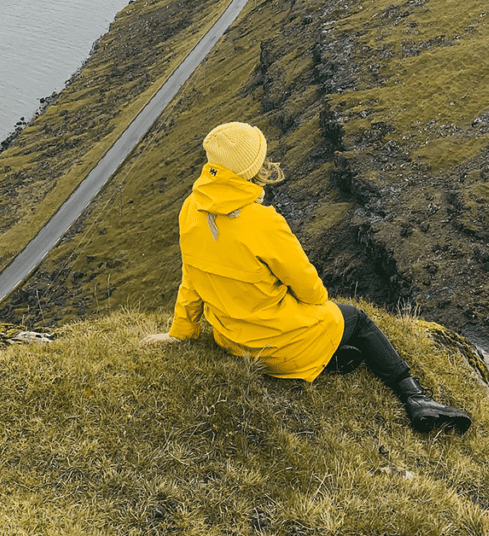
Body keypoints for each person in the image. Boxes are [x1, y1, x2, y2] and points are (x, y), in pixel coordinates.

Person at [141, 122, 471, 434]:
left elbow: (191, 278)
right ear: (247, 170)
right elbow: (311, 291)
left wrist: (180, 334)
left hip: (234, 343)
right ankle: (415, 397)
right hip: (277, 349)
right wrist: (307, 307)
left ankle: (331, 358)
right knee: (355, 319)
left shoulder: (190, 209)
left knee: (321, 326)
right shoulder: (262, 221)